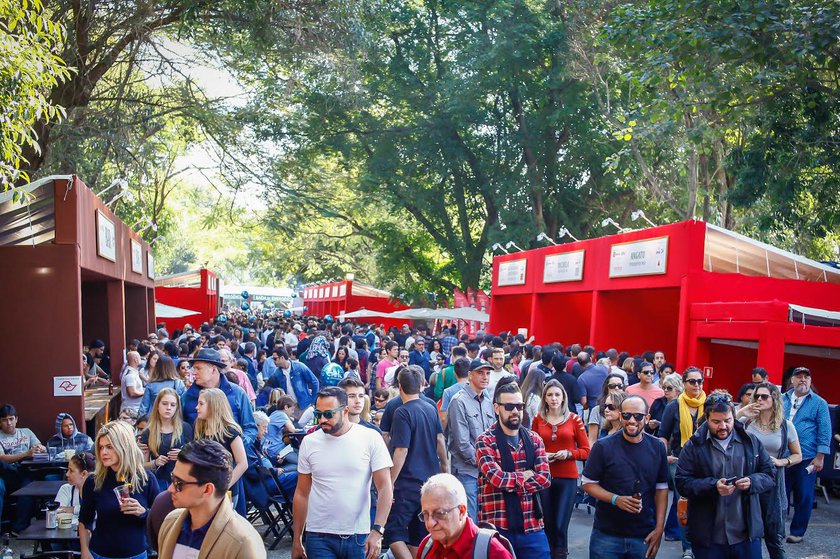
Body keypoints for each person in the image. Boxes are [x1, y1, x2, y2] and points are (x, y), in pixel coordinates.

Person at [293, 387, 394, 559]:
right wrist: (297, 539)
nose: (322, 419)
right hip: (318, 535)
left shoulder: (370, 438)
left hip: (358, 535)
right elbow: (302, 492)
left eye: (329, 414)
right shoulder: (310, 442)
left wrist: (378, 530)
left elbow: (385, 486)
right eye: (318, 414)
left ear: (345, 410)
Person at [675, 391, 776, 559]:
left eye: (727, 420)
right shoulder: (694, 445)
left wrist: (752, 482)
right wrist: (713, 486)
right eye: (716, 422)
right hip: (708, 537)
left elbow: (770, 474)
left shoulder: (751, 442)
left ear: (734, 417)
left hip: (746, 535)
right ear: (706, 418)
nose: (723, 426)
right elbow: (681, 482)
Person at [582, 395, 669, 559]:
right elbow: (588, 483)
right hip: (607, 534)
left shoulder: (657, 447)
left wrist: (659, 528)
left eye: (638, 416)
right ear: (620, 416)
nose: (632, 421)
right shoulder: (603, 446)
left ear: (647, 418)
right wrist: (616, 499)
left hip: (643, 534)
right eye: (627, 415)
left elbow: (661, 489)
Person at [475, 377, 551, 557]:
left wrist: (510, 480)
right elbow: (497, 478)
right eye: (509, 407)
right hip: (497, 527)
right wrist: (526, 475)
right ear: (496, 408)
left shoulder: (534, 440)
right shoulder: (485, 441)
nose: (515, 411)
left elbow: (545, 479)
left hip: (532, 525)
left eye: (519, 406)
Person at [157, 439, 266, 559]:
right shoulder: (170, 522)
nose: (170, 489)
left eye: (179, 483)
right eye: (172, 478)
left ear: (207, 490)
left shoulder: (243, 543)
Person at [387, 367, 449, 559]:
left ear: (399, 387)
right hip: (429, 481)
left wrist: (388, 483)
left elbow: (401, 450)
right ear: (422, 384)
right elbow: (440, 439)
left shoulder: (402, 412)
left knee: (392, 532)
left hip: (406, 482)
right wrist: (445, 468)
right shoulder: (430, 407)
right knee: (418, 535)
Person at [79, 420, 160, 559]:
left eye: (110, 447)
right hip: (100, 553)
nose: (103, 452)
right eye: (101, 447)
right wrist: (85, 551)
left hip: (136, 554)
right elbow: (84, 520)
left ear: (124, 446)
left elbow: (161, 520)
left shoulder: (146, 479)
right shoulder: (94, 482)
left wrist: (143, 512)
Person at [741, 382, 802, 559]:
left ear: (774, 399)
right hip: (749, 479)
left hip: (773, 482)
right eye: (757, 396)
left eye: (764, 396)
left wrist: (782, 461)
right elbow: (722, 428)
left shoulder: (786, 425)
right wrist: (741, 412)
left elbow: (798, 455)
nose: (759, 399)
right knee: (748, 533)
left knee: (773, 535)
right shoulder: (746, 422)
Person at [532, 380, 590, 559]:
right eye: (550, 395)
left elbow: (586, 451)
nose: (554, 398)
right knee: (547, 523)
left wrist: (568, 453)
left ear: (563, 397)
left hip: (567, 478)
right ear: (544, 398)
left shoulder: (574, 419)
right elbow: (531, 447)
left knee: (560, 525)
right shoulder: (538, 419)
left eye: (557, 394)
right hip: (544, 477)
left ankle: (561, 555)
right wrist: (543, 456)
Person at [658, 367, 706, 559]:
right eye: (692, 381)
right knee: (683, 503)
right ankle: (688, 547)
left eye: (699, 381)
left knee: (703, 503)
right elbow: (663, 436)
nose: (696, 385)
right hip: (679, 462)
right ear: (684, 384)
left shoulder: (709, 404)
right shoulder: (674, 406)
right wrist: (665, 457)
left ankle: (702, 543)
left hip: (705, 461)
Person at [781, 367, 831, 544]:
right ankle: (778, 530)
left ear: (810, 381)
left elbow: (825, 431)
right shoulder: (781, 399)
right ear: (792, 380)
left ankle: (797, 532)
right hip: (783, 456)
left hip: (807, 457)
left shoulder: (819, 403)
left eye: (806, 377)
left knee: (804, 495)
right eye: (799, 377)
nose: (803, 380)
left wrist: (820, 457)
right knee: (781, 494)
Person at [416, 473, 514, 559]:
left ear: (461, 511)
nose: (430, 523)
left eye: (440, 514)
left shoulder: (493, 552)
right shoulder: (426, 547)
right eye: (425, 514)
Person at [447, 358, 495, 521]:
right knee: (469, 520)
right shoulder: (458, 401)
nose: (485, 377)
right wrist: (486, 464)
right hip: (467, 471)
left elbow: (493, 436)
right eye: (480, 373)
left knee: (486, 520)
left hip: (487, 472)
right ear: (470, 375)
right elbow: (462, 444)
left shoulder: (488, 401)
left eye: (488, 373)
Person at [182, 348, 256, 444]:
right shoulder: (186, 397)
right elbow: (179, 429)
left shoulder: (237, 393)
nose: (194, 372)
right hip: (198, 456)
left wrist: (236, 446)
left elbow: (250, 428)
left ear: (213, 370)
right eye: (194, 368)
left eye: (198, 368)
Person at [193, 388, 248, 507]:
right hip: (205, 488)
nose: (197, 407)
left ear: (214, 406)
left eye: (201, 404)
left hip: (225, 491)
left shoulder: (230, 431)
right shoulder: (199, 429)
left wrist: (224, 486)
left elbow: (243, 463)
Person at [0, 403, 45, 533]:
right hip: (4, 473)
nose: (8, 423)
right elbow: (1, 457)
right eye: (4, 420)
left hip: (24, 472)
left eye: (11, 419)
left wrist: (40, 449)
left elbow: (39, 447)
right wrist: (26, 453)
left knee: (29, 487)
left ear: (16, 419)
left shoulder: (26, 432)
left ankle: (19, 528)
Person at [138, 388, 194, 489]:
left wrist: (183, 454)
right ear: (158, 406)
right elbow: (142, 465)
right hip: (159, 481)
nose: (168, 408)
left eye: (173, 405)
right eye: (164, 404)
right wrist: (155, 462)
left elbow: (195, 457)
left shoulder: (185, 428)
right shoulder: (148, 431)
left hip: (182, 480)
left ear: (177, 408)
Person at [587, 375, 626, 443]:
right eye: (612, 386)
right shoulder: (597, 411)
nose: (616, 388)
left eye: (620, 386)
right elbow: (592, 440)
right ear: (606, 388)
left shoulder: (628, 428)